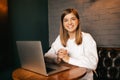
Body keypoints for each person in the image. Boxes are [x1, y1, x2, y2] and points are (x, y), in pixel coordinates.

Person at [44, 8, 98, 80]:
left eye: (73, 19)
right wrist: (57, 58)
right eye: (66, 20)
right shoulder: (60, 38)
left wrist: (68, 59)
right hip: (64, 77)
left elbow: (93, 64)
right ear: (63, 24)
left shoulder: (87, 37)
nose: (69, 23)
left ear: (78, 21)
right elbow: (47, 56)